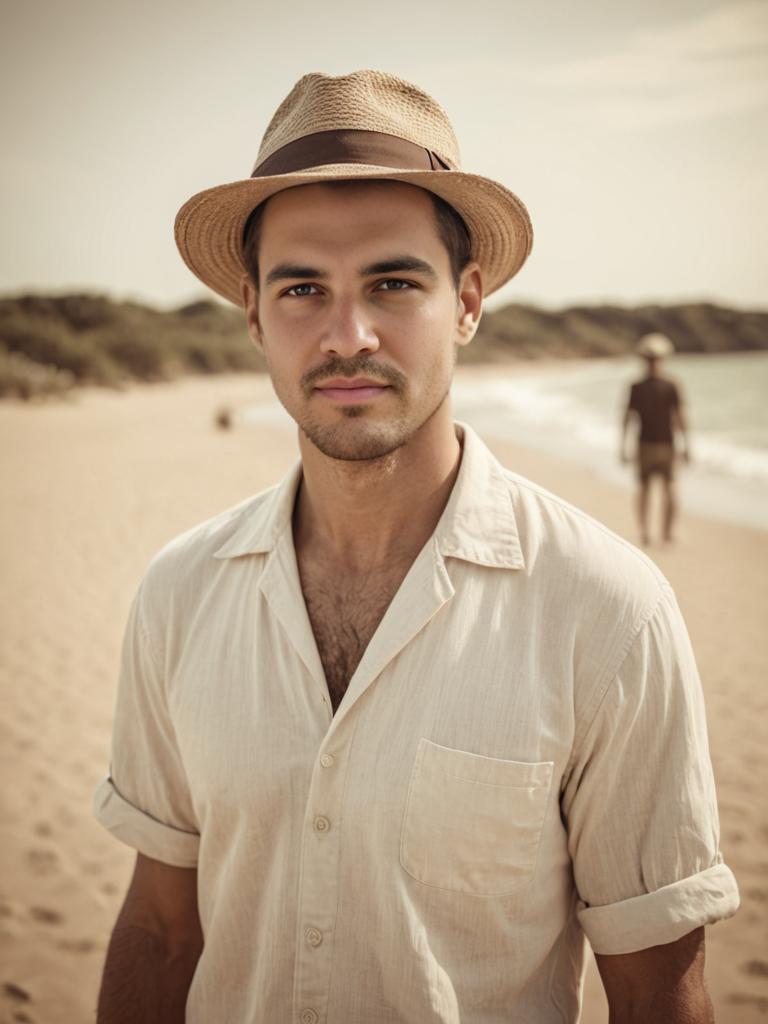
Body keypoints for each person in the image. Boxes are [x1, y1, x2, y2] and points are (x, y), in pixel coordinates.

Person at [93, 70, 738, 1024]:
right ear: (254, 314)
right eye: (303, 287)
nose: (347, 335)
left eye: (394, 283)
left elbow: (656, 987)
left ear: (468, 302)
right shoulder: (179, 593)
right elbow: (158, 927)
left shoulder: (607, 610)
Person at [621, 333, 690, 546]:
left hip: (666, 444)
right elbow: (628, 418)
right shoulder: (638, 386)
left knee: (669, 490)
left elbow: (680, 416)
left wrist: (687, 444)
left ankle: (666, 533)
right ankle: (646, 533)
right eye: (650, 359)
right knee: (645, 489)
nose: (652, 362)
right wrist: (622, 445)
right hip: (645, 445)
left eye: (655, 358)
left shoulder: (670, 385)